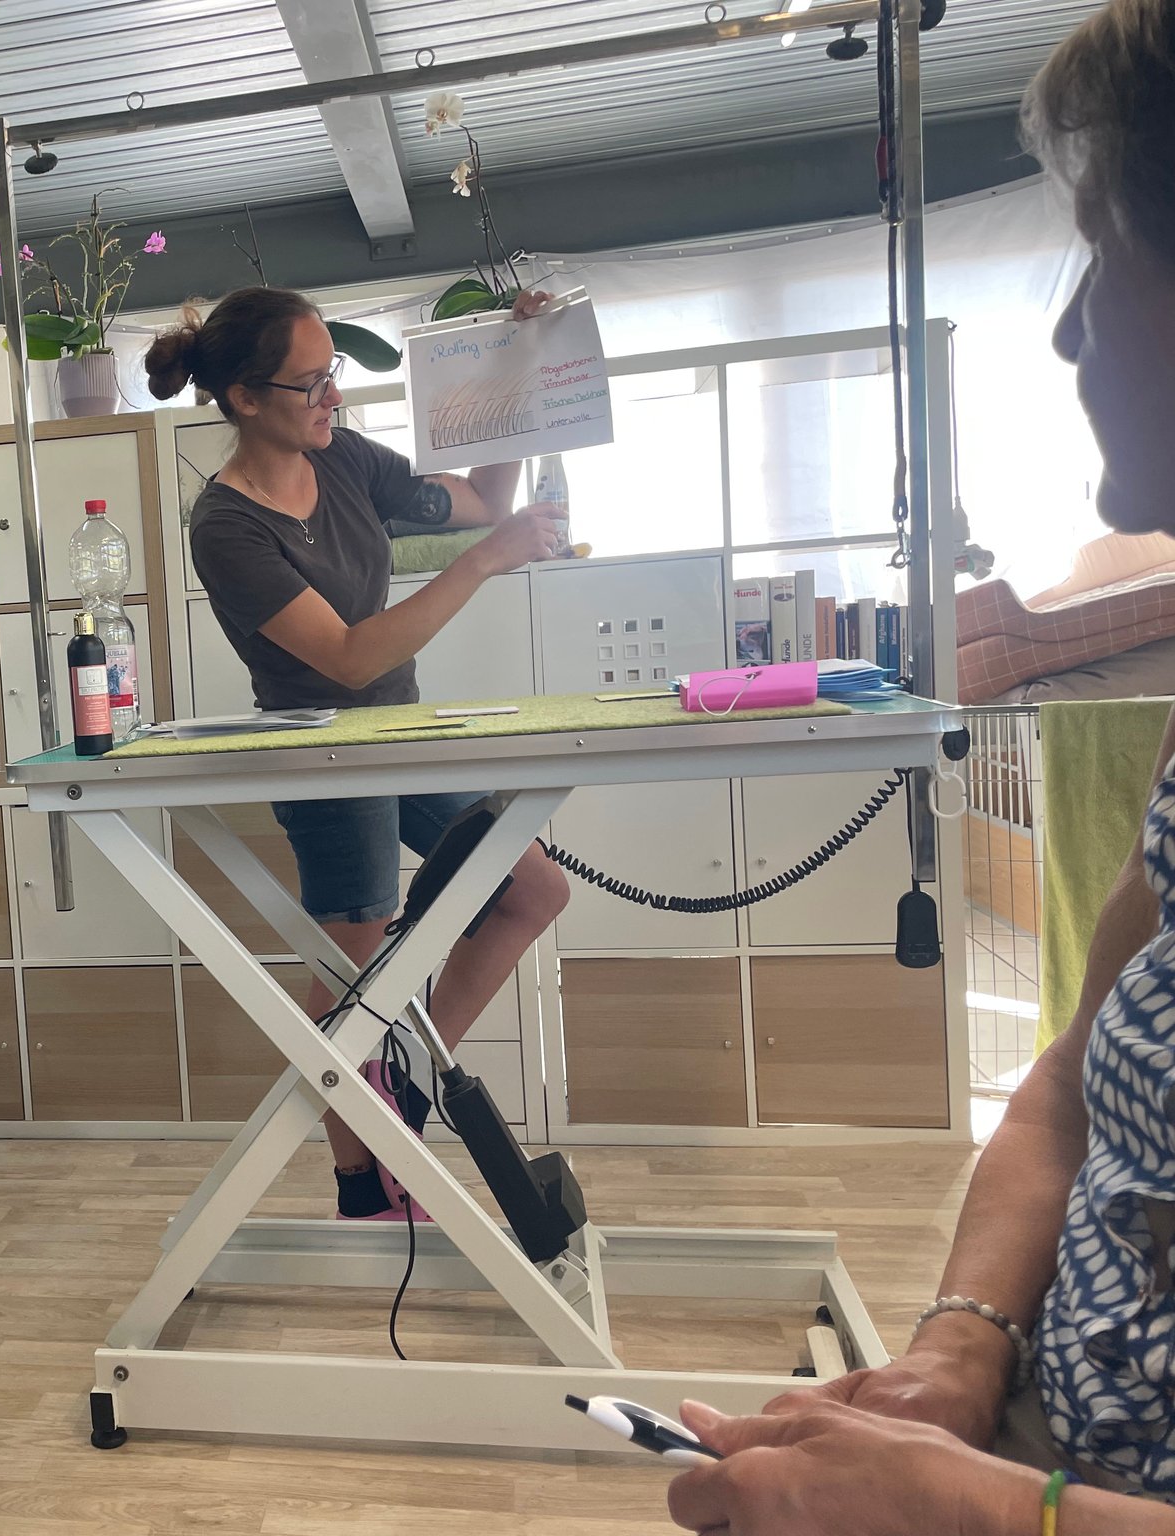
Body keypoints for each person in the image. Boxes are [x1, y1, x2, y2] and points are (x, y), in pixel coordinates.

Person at [666, 1, 1175, 1530]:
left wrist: (983, 1512)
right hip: (1041, 1429)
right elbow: (1069, 1083)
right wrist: (962, 1352)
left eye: (1106, 247)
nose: (1071, 330)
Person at [145, 286, 571, 1221]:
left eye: (330, 374)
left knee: (531, 889)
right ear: (245, 398)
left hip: (396, 738)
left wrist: (517, 364)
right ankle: (360, 1183)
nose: (332, 397)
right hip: (324, 758)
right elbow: (347, 658)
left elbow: (484, 499)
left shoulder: (342, 458)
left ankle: (398, 1079)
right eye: (311, 384)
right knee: (353, 963)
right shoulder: (227, 524)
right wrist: (481, 562)